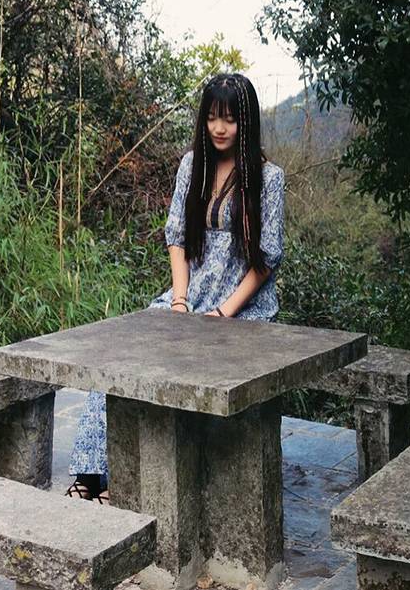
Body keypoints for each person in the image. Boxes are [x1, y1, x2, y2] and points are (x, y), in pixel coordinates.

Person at [66, 72, 285, 502]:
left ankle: (143, 484)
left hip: (243, 307)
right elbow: (177, 237)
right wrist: (180, 302)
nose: (219, 128)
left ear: (246, 123)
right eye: (212, 118)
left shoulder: (268, 178)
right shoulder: (193, 166)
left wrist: (223, 313)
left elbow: (266, 258)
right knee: (120, 353)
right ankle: (93, 475)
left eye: (230, 119)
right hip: (191, 293)